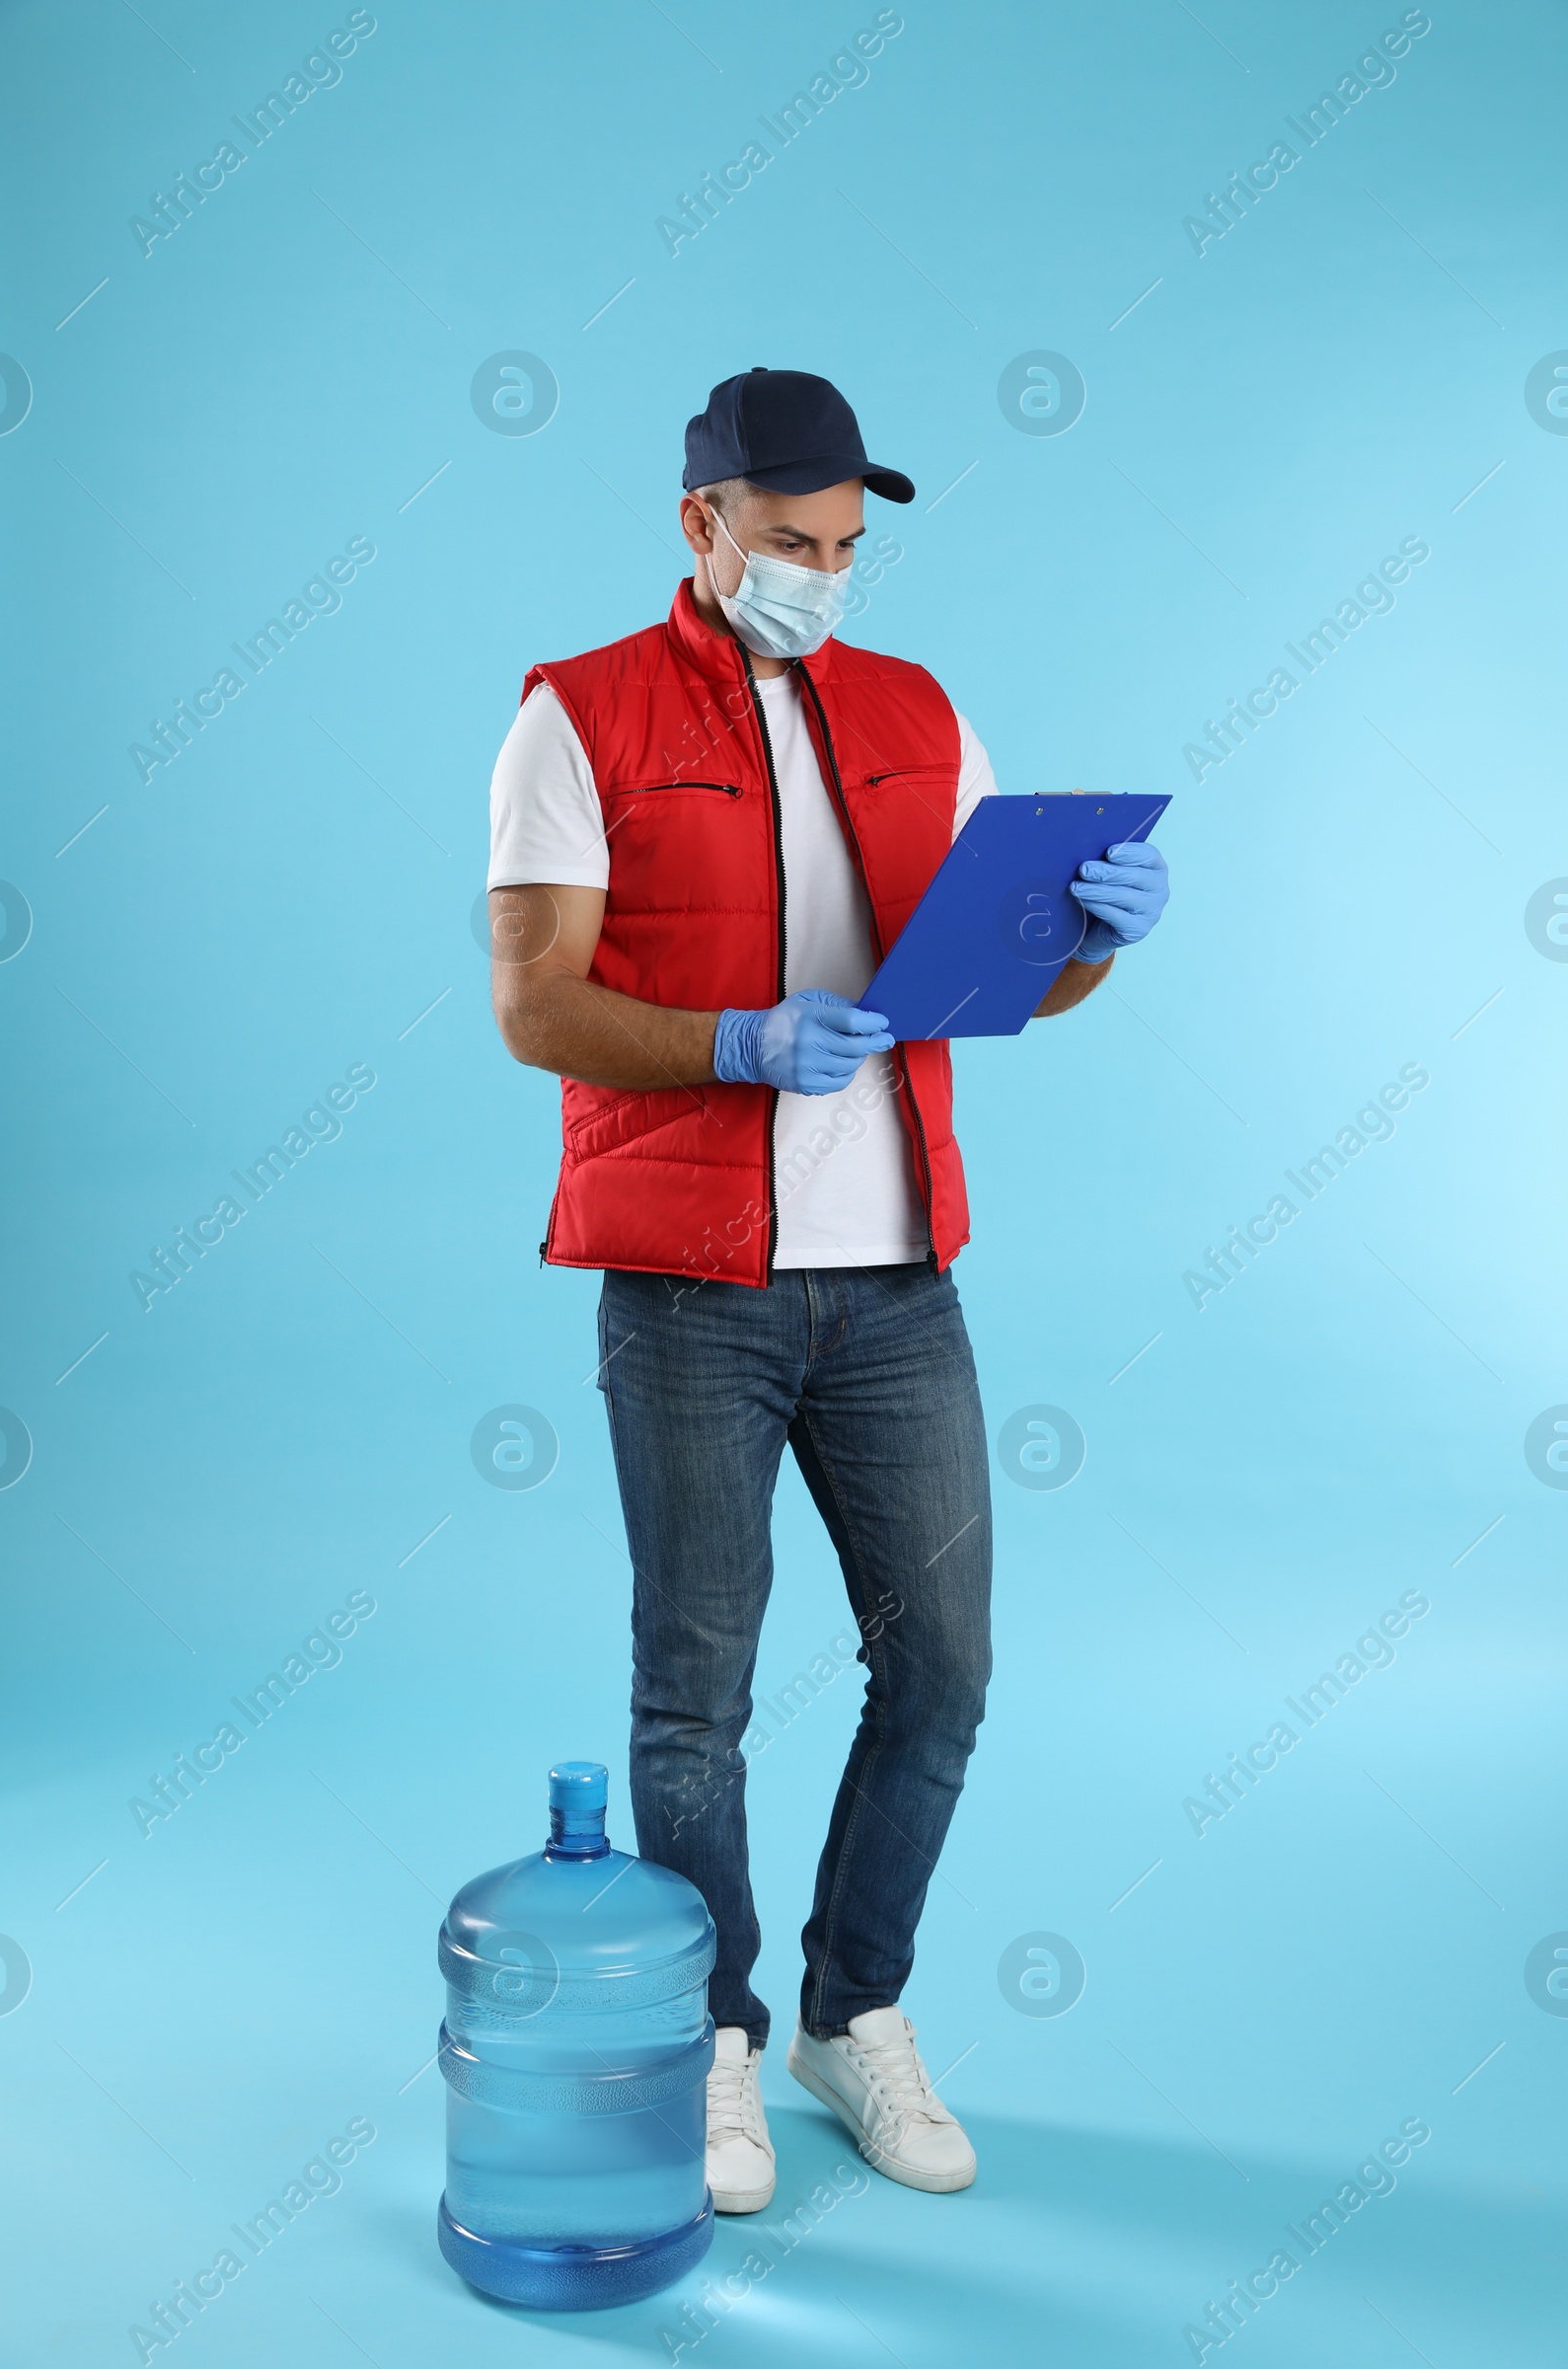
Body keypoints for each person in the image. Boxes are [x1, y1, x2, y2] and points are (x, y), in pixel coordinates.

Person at [486, 368, 1168, 2211]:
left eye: (849, 547)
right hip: (687, 1288)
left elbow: (995, 988)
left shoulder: (916, 711)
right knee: (692, 1691)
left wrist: (1087, 935)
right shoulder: (577, 713)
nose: (825, 576)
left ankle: (850, 2015)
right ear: (699, 525)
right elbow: (532, 998)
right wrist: (728, 1039)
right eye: (791, 542)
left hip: (895, 1286)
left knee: (941, 1665)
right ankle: (713, 2038)